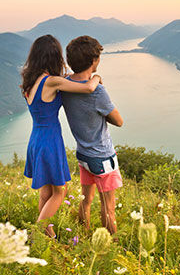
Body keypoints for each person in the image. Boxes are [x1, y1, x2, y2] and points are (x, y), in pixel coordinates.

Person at [21, 34, 102, 238]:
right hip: (50, 141)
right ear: (53, 56)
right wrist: (97, 77)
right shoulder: (51, 82)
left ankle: (48, 236)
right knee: (60, 191)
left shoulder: (32, 82)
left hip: (36, 139)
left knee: (46, 191)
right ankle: (36, 235)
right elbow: (88, 87)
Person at [62, 35, 124, 234]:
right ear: (93, 61)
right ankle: (112, 249)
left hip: (83, 155)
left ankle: (82, 236)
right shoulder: (97, 92)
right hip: (102, 156)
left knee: (85, 201)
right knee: (108, 208)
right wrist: (97, 81)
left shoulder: (65, 85)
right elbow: (119, 121)